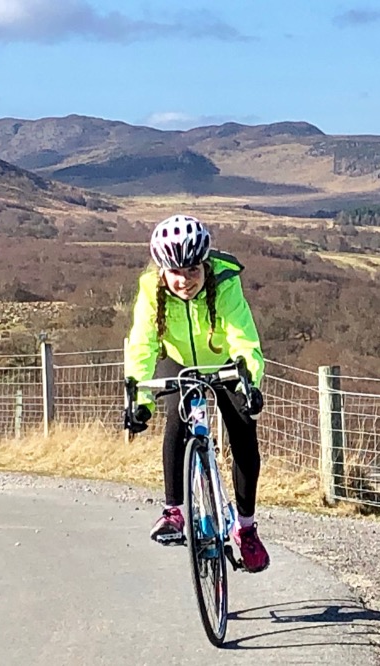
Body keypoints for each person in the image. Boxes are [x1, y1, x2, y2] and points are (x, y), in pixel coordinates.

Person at [122, 214, 270, 573]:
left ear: (204, 265)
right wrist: (139, 401)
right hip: (180, 363)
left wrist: (249, 382)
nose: (183, 281)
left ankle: (246, 529)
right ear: (162, 271)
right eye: (175, 272)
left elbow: (243, 336)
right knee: (178, 418)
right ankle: (174, 512)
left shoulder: (225, 281)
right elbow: (142, 345)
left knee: (244, 433)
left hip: (224, 363)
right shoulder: (150, 290)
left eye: (192, 271)